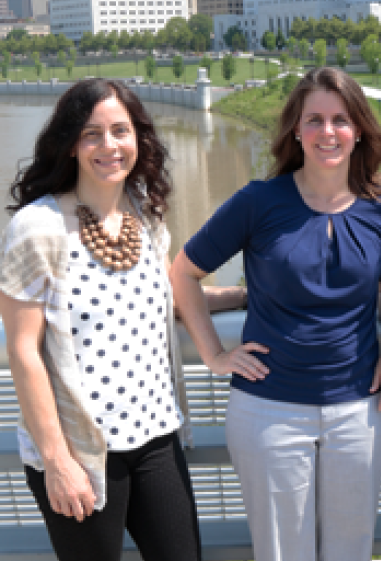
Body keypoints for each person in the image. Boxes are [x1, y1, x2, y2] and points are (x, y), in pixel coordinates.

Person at [170, 66, 381, 561]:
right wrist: (215, 355)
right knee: (283, 552)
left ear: (359, 128)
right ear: (296, 131)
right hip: (268, 410)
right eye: (314, 120)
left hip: (358, 408)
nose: (328, 132)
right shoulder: (259, 202)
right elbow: (183, 273)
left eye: (340, 119)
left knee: (350, 549)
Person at [0, 79, 246, 561]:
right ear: (70, 143)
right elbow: (24, 350)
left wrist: (248, 296)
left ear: (139, 138)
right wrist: (57, 462)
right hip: (80, 451)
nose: (109, 146)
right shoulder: (37, 227)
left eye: (120, 130)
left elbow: (161, 299)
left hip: (155, 436)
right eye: (92, 134)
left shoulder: (145, 215)